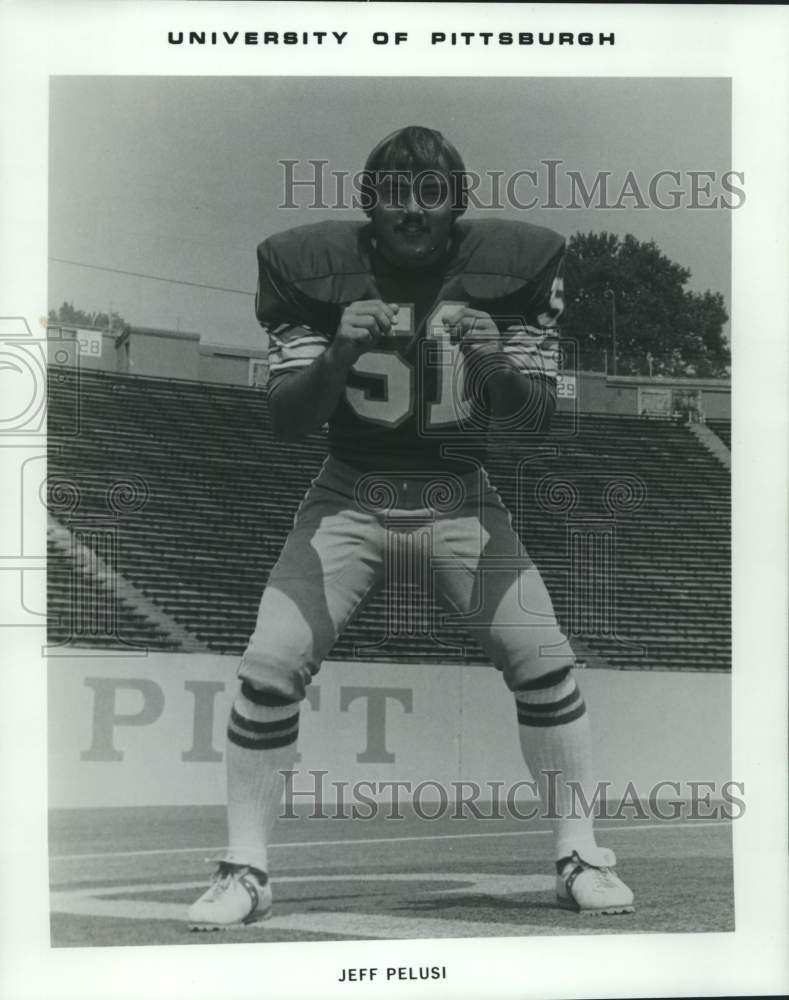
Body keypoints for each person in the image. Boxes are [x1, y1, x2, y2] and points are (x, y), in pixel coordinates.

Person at [187, 125, 634, 930]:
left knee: (543, 660)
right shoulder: (308, 266)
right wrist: (332, 360)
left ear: (457, 208)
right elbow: (287, 423)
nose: (413, 210)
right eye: (395, 193)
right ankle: (245, 868)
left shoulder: (516, 267)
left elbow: (533, 427)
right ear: (368, 203)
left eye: (431, 194)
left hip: (458, 495)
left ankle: (578, 854)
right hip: (347, 495)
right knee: (269, 664)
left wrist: (498, 366)